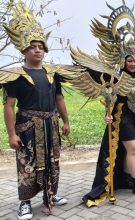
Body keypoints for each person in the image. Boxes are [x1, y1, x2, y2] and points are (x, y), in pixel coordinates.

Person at [0, 2, 84, 219]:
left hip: (51, 124)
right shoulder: (15, 75)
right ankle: (25, 202)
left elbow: (59, 98)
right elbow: (8, 106)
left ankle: (50, 195)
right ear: (24, 49)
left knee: (53, 160)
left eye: (41, 46)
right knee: (27, 163)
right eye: (33, 46)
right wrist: (11, 134)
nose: (38, 49)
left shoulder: (53, 73)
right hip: (27, 127)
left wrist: (65, 121)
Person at [82, 49, 135, 207]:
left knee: (131, 150)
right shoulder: (117, 79)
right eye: (129, 61)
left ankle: (127, 178)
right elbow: (111, 100)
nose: (133, 64)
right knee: (133, 148)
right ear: (124, 63)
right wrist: (108, 114)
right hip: (123, 117)